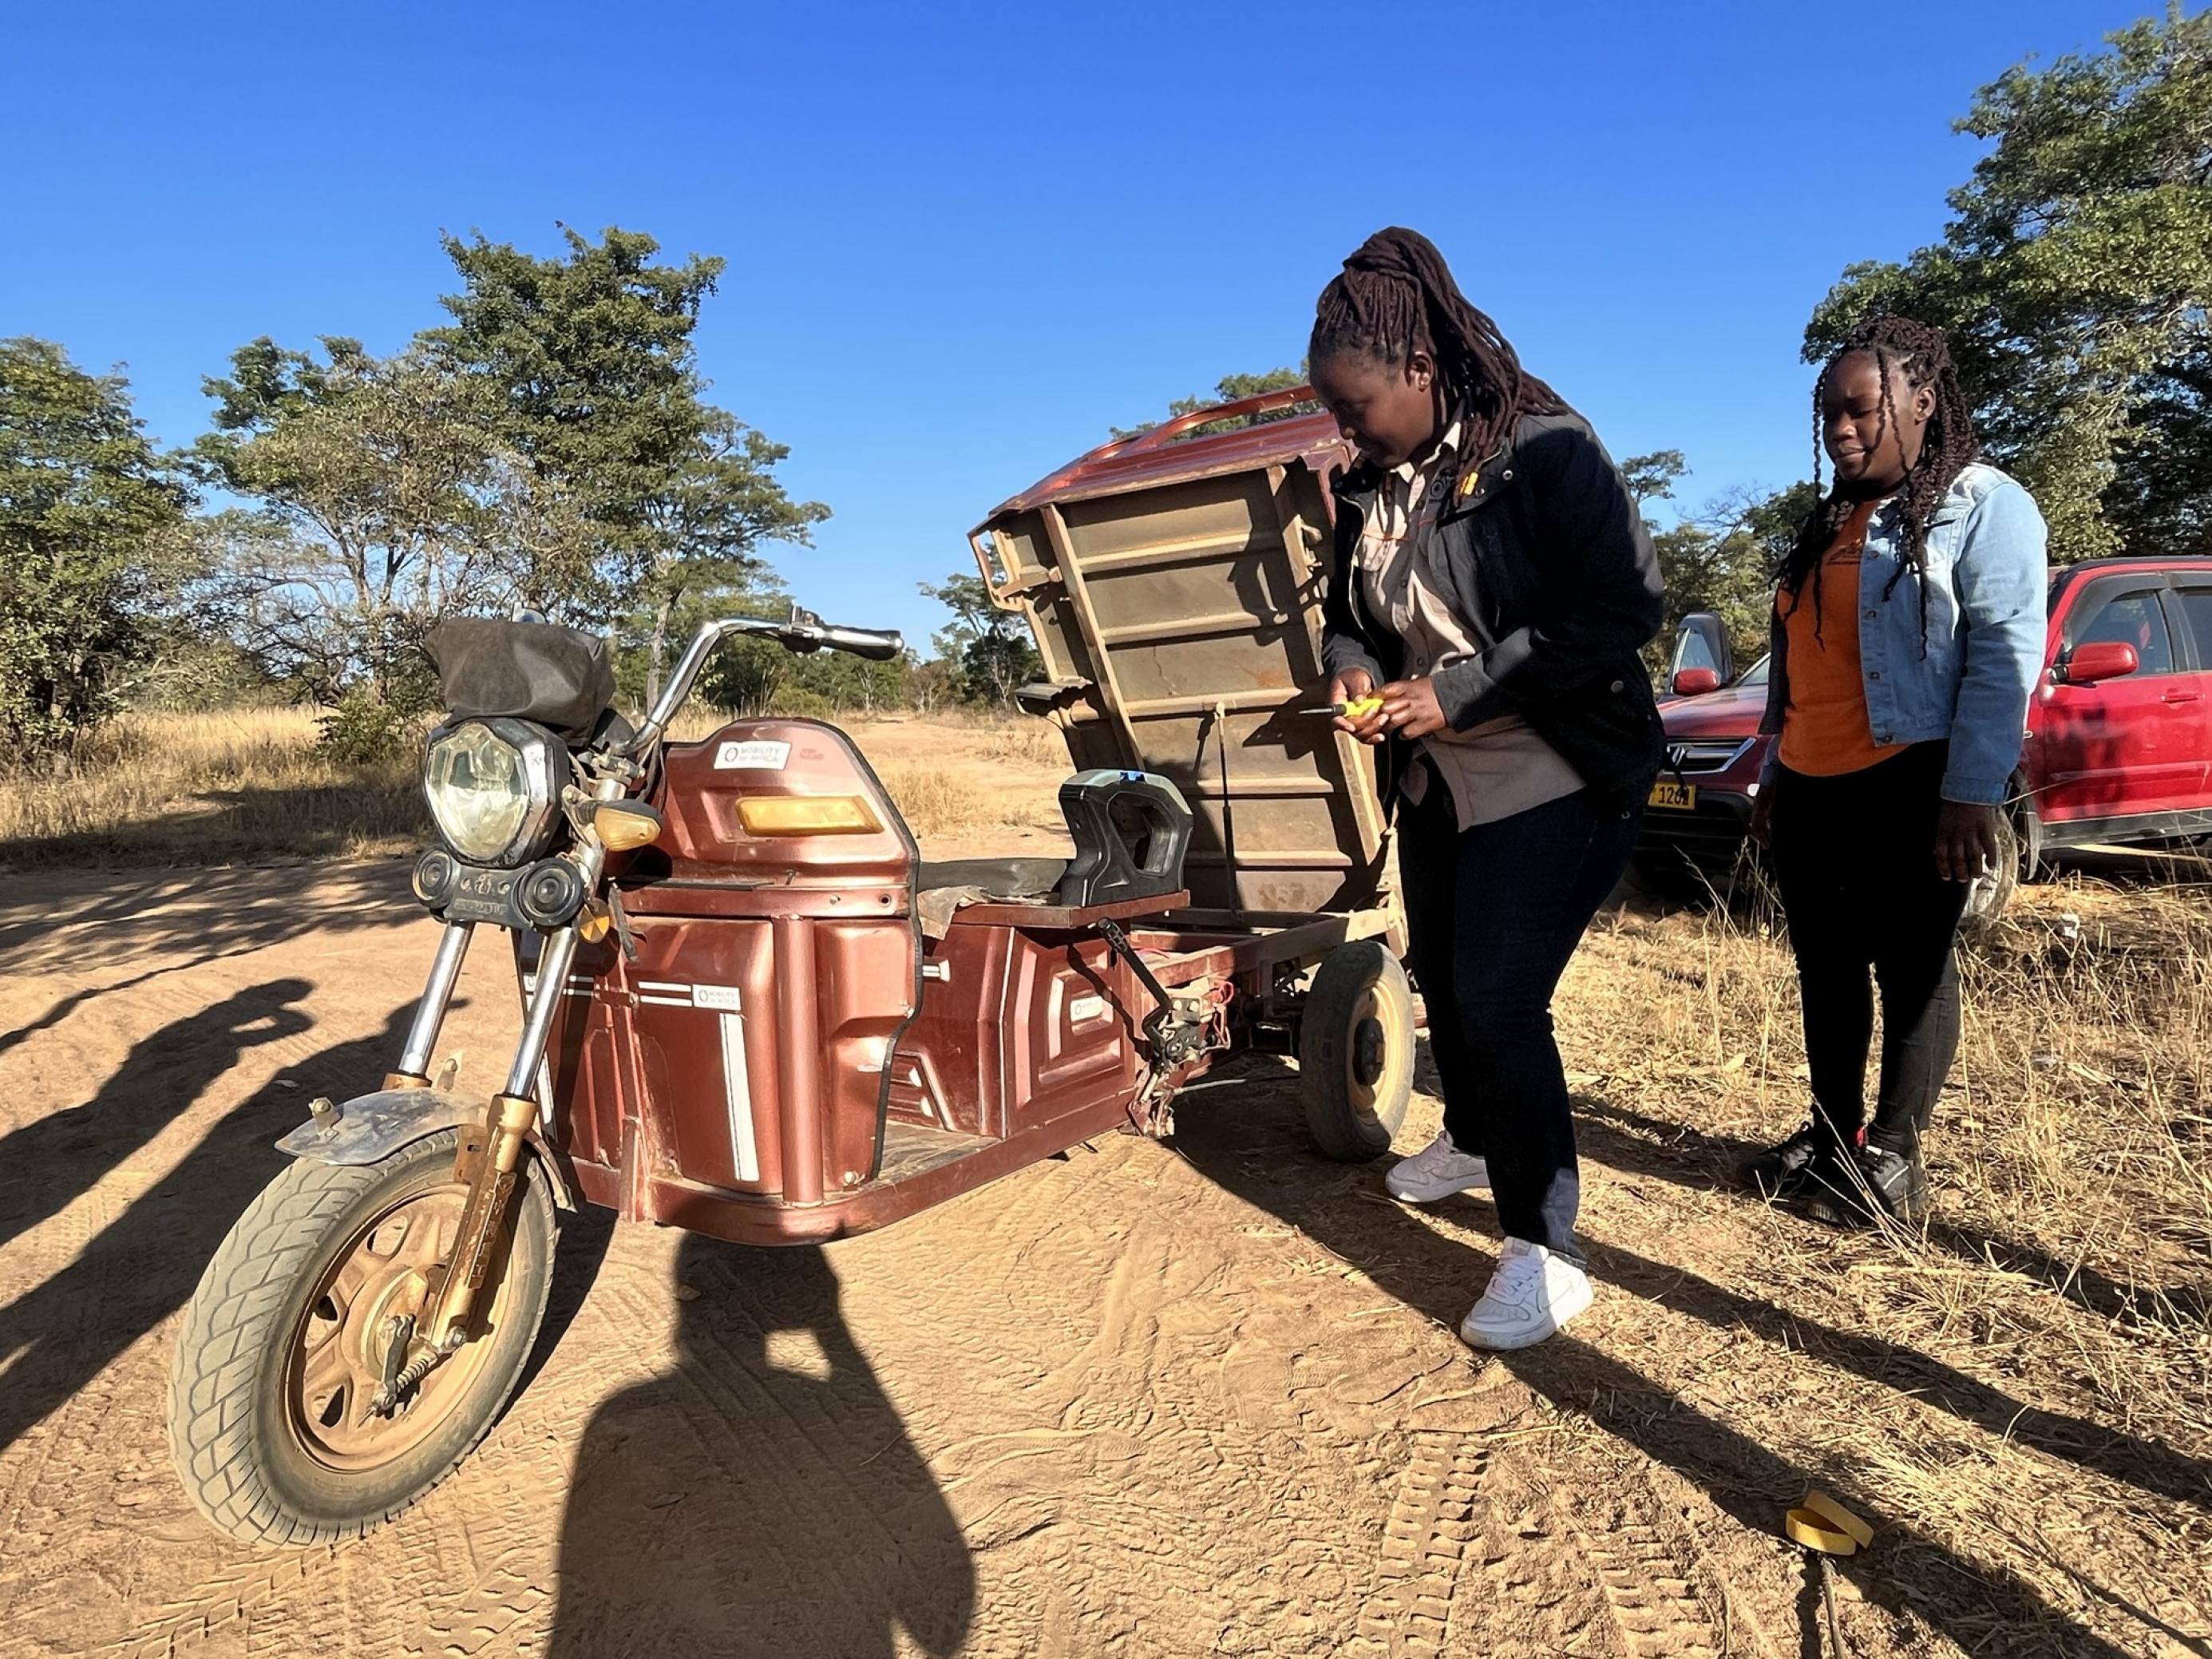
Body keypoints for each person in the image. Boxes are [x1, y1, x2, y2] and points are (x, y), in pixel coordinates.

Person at [1312, 228, 1665, 1349]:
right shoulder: (1369, 486)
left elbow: (1618, 613)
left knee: (1501, 1000)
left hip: (1551, 764)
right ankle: (1469, 1137)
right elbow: (1344, 614)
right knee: (1447, 986)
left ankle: (1543, 1253)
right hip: (1441, 780)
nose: (1344, 427)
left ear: (1418, 370)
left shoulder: (1544, 452)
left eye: (1356, 403)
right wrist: (1355, 667)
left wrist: (1454, 691)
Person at [1739, 315, 2046, 1226]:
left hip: (1912, 777)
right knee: (1825, 971)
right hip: (1810, 782)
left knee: (1910, 967)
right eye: (1826, 413)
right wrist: (1773, 774)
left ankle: (1895, 1155)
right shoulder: (1828, 521)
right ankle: (1831, 1136)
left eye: (1858, 409)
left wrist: (1969, 792)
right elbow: (1797, 661)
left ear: (1919, 403)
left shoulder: (1983, 504)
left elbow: (2001, 653)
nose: (1838, 428)